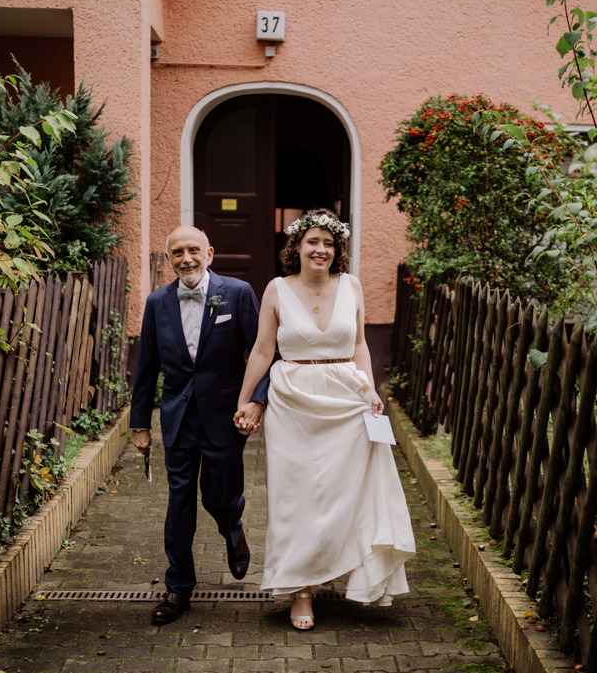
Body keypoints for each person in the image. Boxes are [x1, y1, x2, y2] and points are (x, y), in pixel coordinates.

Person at [234, 209, 416, 630]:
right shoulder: (277, 290)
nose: (321, 250)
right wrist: (245, 400)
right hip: (293, 400)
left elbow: (360, 345)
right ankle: (300, 591)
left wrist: (370, 387)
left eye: (329, 244)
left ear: (338, 250)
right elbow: (263, 351)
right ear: (296, 247)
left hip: (345, 398)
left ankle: (359, 574)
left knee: (350, 491)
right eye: (313, 241)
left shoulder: (351, 285)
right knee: (295, 496)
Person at [130, 225, 268, 625]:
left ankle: (233, 526)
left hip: (225, 417)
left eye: (193, 251)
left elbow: (263, 352)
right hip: (177, 418)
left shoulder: (238, 293)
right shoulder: (157, 302)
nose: (186, 259)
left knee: (219, 496)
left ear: (210, 253)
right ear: (169, 259)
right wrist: (140, 423)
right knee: (180, 502)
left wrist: (256, 401)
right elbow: (146, 367)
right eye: (177, 253)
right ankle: (178, 587)